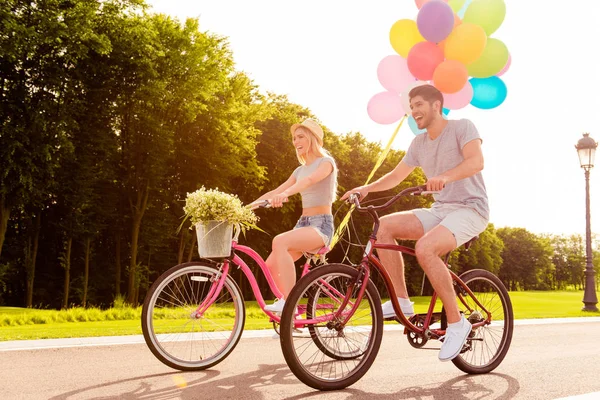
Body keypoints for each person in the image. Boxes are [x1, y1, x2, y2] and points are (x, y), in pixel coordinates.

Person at [341, 84, 489, 362]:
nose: (414, 111)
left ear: (436, 105)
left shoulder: (462, 127)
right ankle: (403, 303)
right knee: (384, 226)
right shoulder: (418, 143)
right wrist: (366, 188)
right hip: (441, 209)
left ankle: (458, 324)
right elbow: (396, 176)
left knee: (425, 248)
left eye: (419, 104)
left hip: (471, 208)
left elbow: (476, 162)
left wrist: (445, 176)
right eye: (411, 106)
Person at [250, 118, 338, 313]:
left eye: (300, 137)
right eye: (294, 138)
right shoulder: (298, 170)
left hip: (320, 226)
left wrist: (286, 194)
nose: (295, 141)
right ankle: (292, 319)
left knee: (279, 241)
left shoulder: (326, 162)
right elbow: (275, 191)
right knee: (270, 265)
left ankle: (289, 306)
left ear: (312, 139)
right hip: (303, 224)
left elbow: (309, 181)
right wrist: (245, 208)